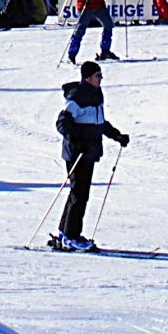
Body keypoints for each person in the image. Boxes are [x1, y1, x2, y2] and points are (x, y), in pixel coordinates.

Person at [50, 60, 129, 251]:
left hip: (89, 152)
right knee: (80, 194)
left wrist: (116, 135)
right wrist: (76, 141)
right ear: (88, 78)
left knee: (78, 192)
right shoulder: (77, 96)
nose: (101, 78)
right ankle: (71, 236)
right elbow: (62, 123)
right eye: (98, 75)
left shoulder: (96, 95)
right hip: (77, 153)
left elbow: (99, 122)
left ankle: (65, 233)